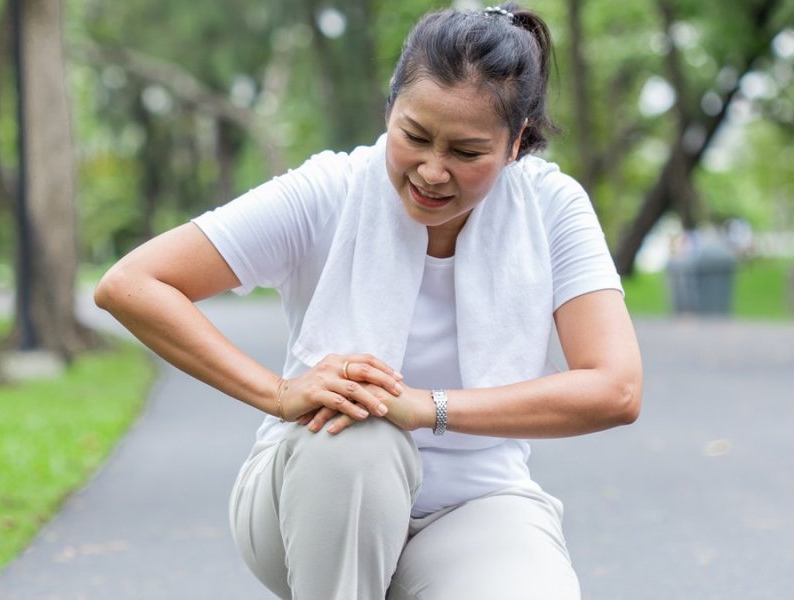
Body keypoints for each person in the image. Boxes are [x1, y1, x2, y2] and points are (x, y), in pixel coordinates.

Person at [95, 3, 642, 599]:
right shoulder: (328, 190)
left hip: (477, 504)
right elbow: (132, 284)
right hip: (311, 498)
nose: (432, 171)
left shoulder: (552, 208)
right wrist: (279, 395)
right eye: (414, 137)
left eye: (467, 152)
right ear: (389, 112)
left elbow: (614, 387)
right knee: (360, 431)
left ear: (515, 144)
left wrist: (422, 406)